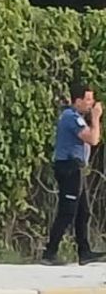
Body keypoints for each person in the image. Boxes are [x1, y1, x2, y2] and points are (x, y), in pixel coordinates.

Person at [42, 82, 104, 265]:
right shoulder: (71, 117)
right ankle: (49, 252)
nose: (91, 103)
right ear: (77, 101)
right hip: (68, 168)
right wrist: (96, 118)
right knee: (67, 211)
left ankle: (84, 252)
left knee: (83, 212)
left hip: (76, 169)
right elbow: (93, 139)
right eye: (88, 99)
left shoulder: (77, 117)